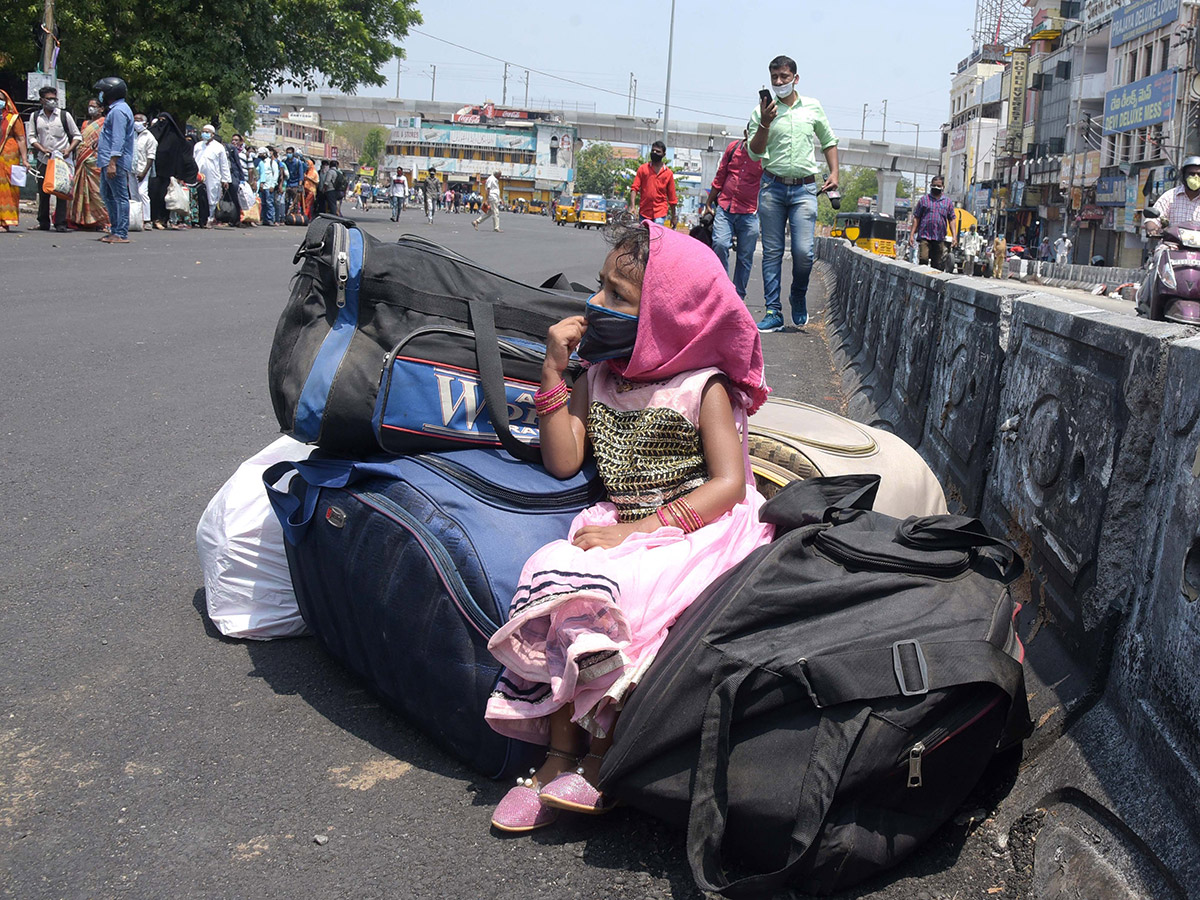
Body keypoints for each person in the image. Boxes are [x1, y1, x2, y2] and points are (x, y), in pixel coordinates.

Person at [485, 221, 774, 832]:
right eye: (599, 289)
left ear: (670, 319)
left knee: (631, 598)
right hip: (618, 522)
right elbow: (564, 459)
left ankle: (599, 760)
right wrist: (553, 374)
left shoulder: (703, 387)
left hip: (694, 526)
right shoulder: (600, 374)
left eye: (619, 299)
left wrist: (643, 530)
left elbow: (727, 484)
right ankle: (556, 754)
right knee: (563, 583)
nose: (596, 308)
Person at [747, 55, 839, 331]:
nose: (778, 82)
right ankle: (773, 310)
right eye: (774, 77)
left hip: (805, 189)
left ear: (795, 78)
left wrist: (835, 173)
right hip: (772, 187)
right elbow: (754, 153)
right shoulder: (761, 111)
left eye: (784, 77)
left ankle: (797, 294)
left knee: (803, 252)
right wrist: (765, 122)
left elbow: (828, 140)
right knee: (772, 252)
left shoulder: (812, 107)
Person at [703, 129, 763, 300]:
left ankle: (737, 297)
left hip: (749, 212)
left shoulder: (766, 156)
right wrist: (709, 202)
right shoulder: (733, 148)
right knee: (720, 244)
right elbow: (721, 175)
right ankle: (721, 291)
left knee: (745, 256)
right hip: (725, 207)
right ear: (746, 132)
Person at [26, 84, 81, 232]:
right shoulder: (35, 117)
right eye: (49, 99)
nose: (52, 101)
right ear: (42, 100)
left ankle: (60, 222)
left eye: (54, 99)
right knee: (44, 191)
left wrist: (69, 149)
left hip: (61, 160)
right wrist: (41, 148)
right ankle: (43, 221)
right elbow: (31, 137)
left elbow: (77, 136)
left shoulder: (64, 115)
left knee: (61, 191)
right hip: (44, 159)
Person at [94, 77, 135, 244]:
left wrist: (112, 163)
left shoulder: (118, 111)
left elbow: (118, 139)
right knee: (108, 195)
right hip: (107, 160)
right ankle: (115, 229)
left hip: (114, 162)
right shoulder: (116, 110)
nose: (101, 95)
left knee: (119, 197)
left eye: (103, 91)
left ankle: (121, 232)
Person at [147, 112, 197, 230]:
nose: (161, 123)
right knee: (152, 195)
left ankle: (162, 219)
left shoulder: (175, 138)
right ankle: (152, 218)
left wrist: (178, 174)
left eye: (164, 120)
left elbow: (180, 158)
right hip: (152, 172)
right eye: (159, 120)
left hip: (168, 173)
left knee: (165, 196)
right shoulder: (151, 135)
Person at [68, 98, 110, 232]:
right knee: (82, 191)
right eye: (89, 106)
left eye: (94, 106)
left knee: (97, 192)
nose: (91, 108)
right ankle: (83, 220)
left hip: (96, 161)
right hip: (82, 160)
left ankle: (104, 220)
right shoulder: (85, 124)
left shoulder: (105, 122)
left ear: (101, 109)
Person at [911, 176, 957, 271]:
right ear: (931, 186)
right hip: (925, 235)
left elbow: (952, 219)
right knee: (923, 258)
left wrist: (954, 236)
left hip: (939, 237)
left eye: (938, 185)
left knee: (937, 263)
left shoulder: (947, 202)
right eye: (934, 185)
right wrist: (912, 235)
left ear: (943, 187)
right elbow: (916, 217)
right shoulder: (924, 200)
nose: (936, 187)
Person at [629, 140, 678, 228]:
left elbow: (672, 197)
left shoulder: (668, 173)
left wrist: (674, 216)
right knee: (642, 237)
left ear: (663, 154)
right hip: (644, 211)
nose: (655, 153)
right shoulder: (643, 169)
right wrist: (632, 207)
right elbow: (634, 188)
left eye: (658, 151)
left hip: (660, 212)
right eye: (653, 151)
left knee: (655, 235)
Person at [0, 90, 30, 233]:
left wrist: (24, 159)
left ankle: (5, 221)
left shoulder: (13, 118)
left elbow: (21, 138)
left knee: (7, 188)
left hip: (8, 156)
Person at [192, 124, 230, 228]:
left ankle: (210, 217)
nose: (205, 134)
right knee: (197, 196)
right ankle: (198, 218)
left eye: (207, 132)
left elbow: (224, 164)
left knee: (212, 196)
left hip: (213, 176)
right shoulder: (198, 146)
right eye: (203, 131)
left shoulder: (219, 147)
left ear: (213, 134)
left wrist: (225, 179)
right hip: (199, 175)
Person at [131, 113, 158, 227]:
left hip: (143, 169)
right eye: (134, 120)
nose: (136, 122)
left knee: (142, 193)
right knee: (134, 195)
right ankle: (136, 218)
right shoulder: (131, 135)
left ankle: (147, 220)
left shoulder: (149, 138)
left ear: (145, 123)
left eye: (138, 120)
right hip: (131, 168)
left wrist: (144, 172)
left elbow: (151, 157)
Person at [253, 147, 277, 226]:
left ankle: (270, 219)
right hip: (260, 186)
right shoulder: (258, 162)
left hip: (268, 186)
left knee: (269, 203)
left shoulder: (271, 162)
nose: (261, 155)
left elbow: (275, 174)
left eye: (262, 153)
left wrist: (273, 185)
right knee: (262, 203)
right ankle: (262, 218)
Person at [282, 147, 303, 215]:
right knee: (286, 201)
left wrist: (299, 185)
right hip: (287, 184)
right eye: (287, 153)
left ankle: (295, 215)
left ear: (293, 153)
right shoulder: (285, 162)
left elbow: (301, 175)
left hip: (295, 184)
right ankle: (285, 215)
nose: (289, 154)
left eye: (290, 153)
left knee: (295, 202)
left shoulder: (298, 162)